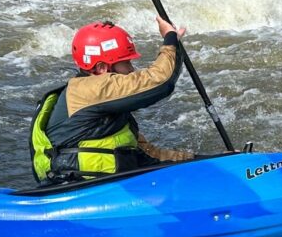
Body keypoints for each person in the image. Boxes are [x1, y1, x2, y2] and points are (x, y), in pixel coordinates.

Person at [29, 17, 194, 185]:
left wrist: (192, 160)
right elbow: (160, 81)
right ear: (101, 68)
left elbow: (147, 154)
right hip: (81, 190)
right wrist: (169, 39)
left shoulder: (105, 104)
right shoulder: (90, 90)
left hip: (107, 185)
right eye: (126, 62)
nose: (131, 69)